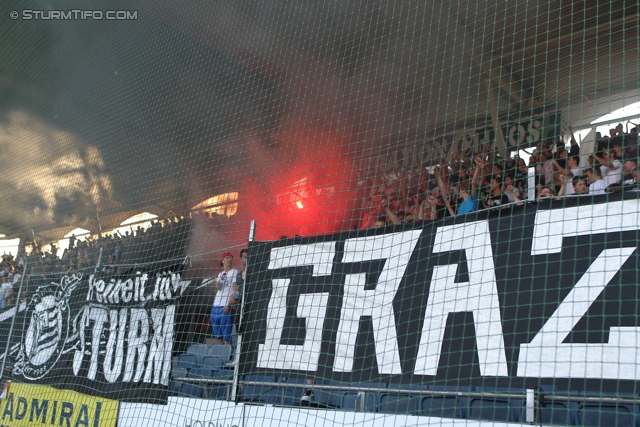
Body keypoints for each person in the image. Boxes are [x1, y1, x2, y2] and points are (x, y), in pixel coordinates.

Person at [210, 252, 239, 345]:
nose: (229, 260)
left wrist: (229, 305)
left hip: (225, 306)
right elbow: (220, 289)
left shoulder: (234, 271)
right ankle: (220, 356)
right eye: (227, 258)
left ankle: (228, 356)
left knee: (226, 336)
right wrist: (217, 285)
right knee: (218, 335)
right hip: (216, 306)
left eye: (231, 258)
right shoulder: (221, 274)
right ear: (222, 260)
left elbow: (235, 289)